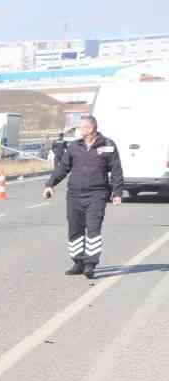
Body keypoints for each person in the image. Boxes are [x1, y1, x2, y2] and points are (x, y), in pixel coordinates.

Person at [43, 113, 125, 279]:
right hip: (74, 194)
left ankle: (90, 264)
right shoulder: (74, 146)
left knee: (93, 228)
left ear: (91, 128)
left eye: (81, 127)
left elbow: (116, 170)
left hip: (97, 193)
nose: (79, 130)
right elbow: (63, 168)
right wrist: (50, 184)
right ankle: (78, 262)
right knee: (75, 229)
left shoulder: (108, 145)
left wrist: (117, 192)